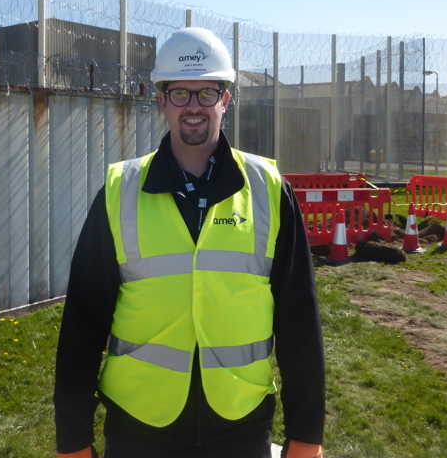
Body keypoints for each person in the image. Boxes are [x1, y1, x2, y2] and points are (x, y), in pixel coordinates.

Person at [54, 27, 326, 458]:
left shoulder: (269, 190)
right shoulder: (119, 191)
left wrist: (306, 437)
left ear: (226, 99)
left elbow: (299, 323)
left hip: (240, 426)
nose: (194, 107)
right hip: (139, 429)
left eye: (207, 93)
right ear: (161, 99)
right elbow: (82, 325)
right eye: (181, 93)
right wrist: (72, 442)